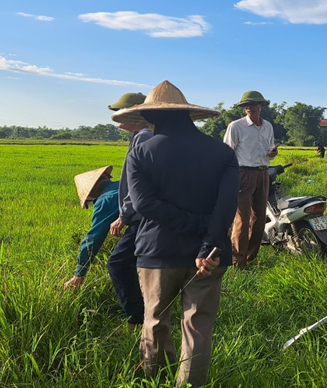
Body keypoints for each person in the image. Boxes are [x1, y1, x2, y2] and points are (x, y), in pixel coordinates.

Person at [111, 80, 240, 387]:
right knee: (198, 326)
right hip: (210, 255)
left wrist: (192, 226)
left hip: (158, 251)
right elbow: (227, 207)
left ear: (151, 117)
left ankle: (158, 380)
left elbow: (143, 204)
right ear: (187, 115)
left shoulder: (141, 152)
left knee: (155, 321)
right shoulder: (222, 153)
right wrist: (208, 237)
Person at [106, 92, 151, 329]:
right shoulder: (139, 136)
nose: (115, 116)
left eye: (119, 111)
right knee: (137, 263)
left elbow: (140, 183)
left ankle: (137, 317)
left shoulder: (143, 137)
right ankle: (145, 310)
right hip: (141, 213)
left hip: (142, 214)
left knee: (118, 263)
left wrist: (124, 216)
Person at [223, 90, 277, 269]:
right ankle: (238, 261)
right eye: (246, 105)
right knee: (242, 218)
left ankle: (251, 255)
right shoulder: (236, 126)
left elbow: (269, 154)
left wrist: (272, 154)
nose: (249, 107)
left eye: (253, 104)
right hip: (242, 173)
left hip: (263, 173)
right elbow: (227, 153)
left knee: (260, 217)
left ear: (261, 106)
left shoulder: (268, 126)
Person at [64, 166, 118, 290]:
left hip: (154, 230)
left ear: (92, 191)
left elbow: (93, 239)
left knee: (117, 264)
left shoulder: (105, 200)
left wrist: (79, 274)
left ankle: (136, 308)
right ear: (107, 177)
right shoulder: (123, 185)